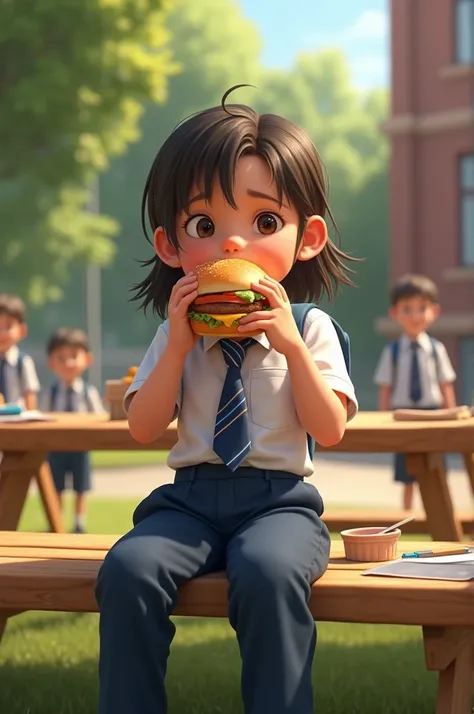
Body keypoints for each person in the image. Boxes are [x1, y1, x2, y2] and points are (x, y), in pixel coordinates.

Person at [96, 86, 358, 714]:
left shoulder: (312, 328)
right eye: (205, 226)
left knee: (269, 574)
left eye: (265, 222)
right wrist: (180, 347)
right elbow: (142, 426)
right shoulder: (174, 331)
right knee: (128, 570)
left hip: (280, 504)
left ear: (308, 237)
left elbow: (331, 427)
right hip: (188, 500)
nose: (233, 245)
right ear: (170, 245)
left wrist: (292, 347)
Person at [374, 274, 456, 511]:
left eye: (422, 308)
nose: (415, 316)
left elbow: (446, 383)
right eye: (407, 309)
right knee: (407, 473)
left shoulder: (436, 349)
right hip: (404, 416)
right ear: (395, 313)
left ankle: (442, 514)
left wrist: (450, 416)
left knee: (435, 469)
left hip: (433, 414)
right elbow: (385, 386)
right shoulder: (394, 351)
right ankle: (407, 516)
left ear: (434, 312)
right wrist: (382, 418)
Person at [40, 327, 105, 534]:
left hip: (80, 447)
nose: (68, 363)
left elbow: (99, 416)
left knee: (81, 487)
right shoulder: (50, 393)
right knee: (55, 486)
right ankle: (55, 520)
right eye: (61, 358)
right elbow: (44, 416)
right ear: (51, 362)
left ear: (87, 359)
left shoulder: (88, 392)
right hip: (56, 448)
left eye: (74, 356)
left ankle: (78, 522)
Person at [0, 293, 39, 409]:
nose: (2, 334)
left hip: (17, 420)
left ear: (22, 331)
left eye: (8, 327)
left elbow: (30, 395)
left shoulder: (23, 362)